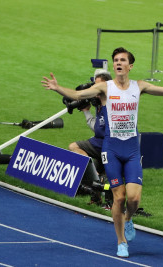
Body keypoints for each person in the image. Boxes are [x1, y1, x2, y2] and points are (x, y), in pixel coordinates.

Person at [41, 47, 163, 258]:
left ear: (130, 66)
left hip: (132, 149)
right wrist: (57, 88)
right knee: (119, 198)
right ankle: (121, 241)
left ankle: (128, 219)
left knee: (133, 200)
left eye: (122, 60)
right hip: (112, 149)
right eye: (116, 60)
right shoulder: (105, 88)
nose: (118, 63)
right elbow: (78, 94)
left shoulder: (139, 86)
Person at [68, 70, 112, 205]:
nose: (94, 89)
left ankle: (97, 179)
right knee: (77, 150)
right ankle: (96, 180)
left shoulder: (110, 103)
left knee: (74, 147)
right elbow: (98, 128)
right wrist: (86, 111)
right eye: (94, 85)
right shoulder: (99, 102)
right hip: (99, 142)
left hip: (109, 144)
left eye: (97, 86)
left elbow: (103, 130)